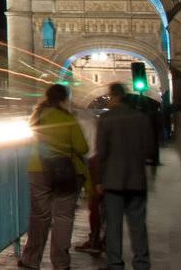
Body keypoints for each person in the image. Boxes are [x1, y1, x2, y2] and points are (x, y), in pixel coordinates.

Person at [20, 83, 88, 270]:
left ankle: (31, 259)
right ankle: (61, 263)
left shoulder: (37, 115)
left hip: (38, 169)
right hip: (64, 172)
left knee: (39, 217)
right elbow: (83, 148)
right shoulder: (67, 119)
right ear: (64, 99)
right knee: (63, 218)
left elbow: (28, 139)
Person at [94, 81, 156, 270]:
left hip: (112, 181)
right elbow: (150, 149)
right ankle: (142, 263)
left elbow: (101, 152)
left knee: (113, 226)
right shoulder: (141, 118)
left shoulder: (106, 118)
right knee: (138, 226)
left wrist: (98, 180)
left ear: (115, 97)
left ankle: (115, 264)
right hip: (136, 180)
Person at [73, 98, 105, 254]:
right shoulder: (87, 115)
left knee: (94, 203)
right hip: (101, 158)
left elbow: (78, 146)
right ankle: (103, 239)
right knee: (101, 203)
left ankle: (95, 240)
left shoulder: (77, 119)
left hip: (93, 160)